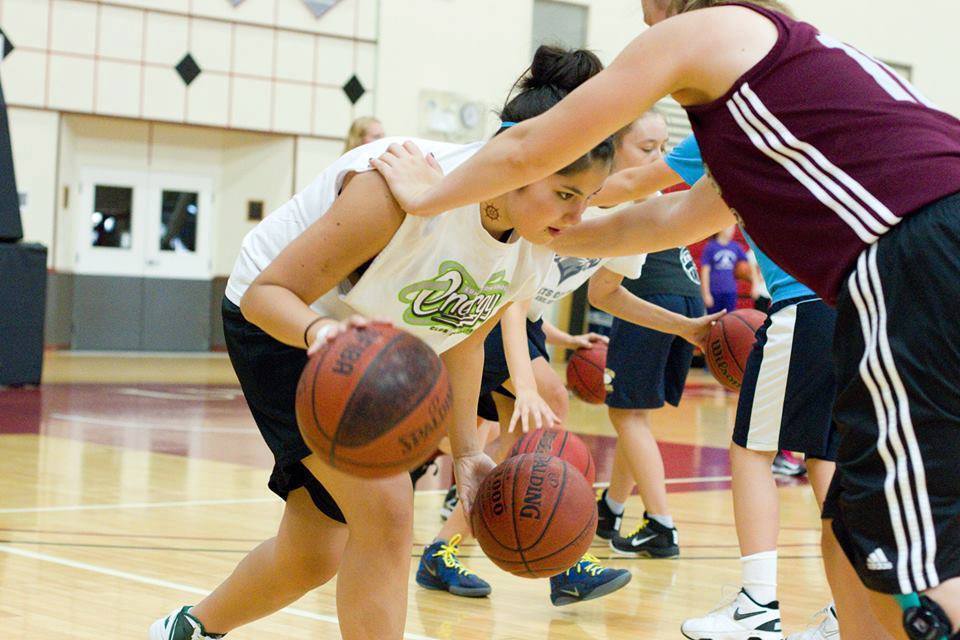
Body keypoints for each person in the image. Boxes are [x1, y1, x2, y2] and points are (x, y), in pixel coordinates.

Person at [372, 2, 960, 638]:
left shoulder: (706, 30)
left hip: (914, 255)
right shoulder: (767, 88)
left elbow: (527, 148)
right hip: (914, 258)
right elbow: (673, 219)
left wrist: (427, 198)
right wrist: (552, 230)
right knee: (855, 526)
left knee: (913, 557)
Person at [148, 45, 616, 640]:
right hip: (284, 319)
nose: (577, 217)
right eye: (566, 194)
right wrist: (322, 334)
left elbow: (461, 337)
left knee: (314, 553)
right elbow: (270, 294)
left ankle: (186, 630)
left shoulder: (534, 243)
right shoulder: (394, 191)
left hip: (381, 350)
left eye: (589, 198)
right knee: (389, 509)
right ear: (515, 163)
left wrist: (469, 450)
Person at [700, 225, 748, 314]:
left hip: (731, 291)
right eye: (730, 227)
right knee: (713, 321)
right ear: (721, 228)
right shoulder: (710, 247)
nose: (732, 230)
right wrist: (706, 293)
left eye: (733, 228)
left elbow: (746, 265)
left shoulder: (736, 247)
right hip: (714, 291)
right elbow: (705, 271)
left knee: (729, 321)